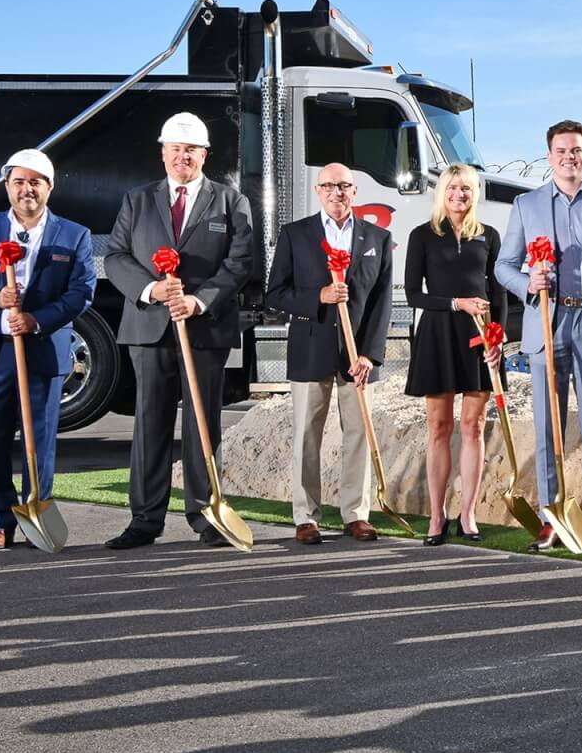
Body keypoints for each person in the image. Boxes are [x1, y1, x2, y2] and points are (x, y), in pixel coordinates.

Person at [103, 112, 257, 550]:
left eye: (190, 150)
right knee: (150, 423)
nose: (182, 157)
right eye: (175, 149)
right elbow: (116, 257)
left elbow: (240, 261)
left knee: (202, 423)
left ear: (204, 155)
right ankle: (144, 520)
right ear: (163, 153)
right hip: (149, 329)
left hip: (204, 329)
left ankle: (207, 515)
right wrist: (152, 289)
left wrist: (199, 299)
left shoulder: (231, 202)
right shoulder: (138, 201)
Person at [0, 149, 96, 551]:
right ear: (7, 185)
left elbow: (82, 292)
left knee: (40, 437)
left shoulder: (74, 234)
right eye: (19, 181)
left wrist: (36, 319)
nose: (27, 189)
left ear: (49, 187)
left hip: (42, 347)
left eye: (35, 182)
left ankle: (36, 510)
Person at [496, 120, 582, 550]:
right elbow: (504, 266)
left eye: (576, 150)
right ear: (549, 156)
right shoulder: (526, 204)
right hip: (546, 325)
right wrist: (527, 284)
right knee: (547, 427)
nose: (569, 157)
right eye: (561, 150)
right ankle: (552, 515)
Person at [264, 163, 395, 545]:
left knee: (358, 433)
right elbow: (275, 294)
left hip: (357, 359)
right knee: (307, 435)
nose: (337, 192)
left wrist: (370, 354)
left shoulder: (378, 238)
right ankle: (306, 516)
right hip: (310, 349)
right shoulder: (296, 235)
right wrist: (316, 298)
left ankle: (356, 514)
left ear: (355, 191)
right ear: (318, 191)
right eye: (329, 186)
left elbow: (382, 302)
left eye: (344, 186)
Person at [404, 164, 507, 545]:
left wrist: (498, 339)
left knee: (474, 427)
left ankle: (468, 514)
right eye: (452, 188)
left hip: (479, 336)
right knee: (439, 428)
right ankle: (436, 516)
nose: (459, 195)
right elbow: (415, 294)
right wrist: (456, 303)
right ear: (441, 192)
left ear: (473, 193)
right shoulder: (423, 236)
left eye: (465, 189)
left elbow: (498, 294)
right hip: (438, 333)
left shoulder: (489, 236)